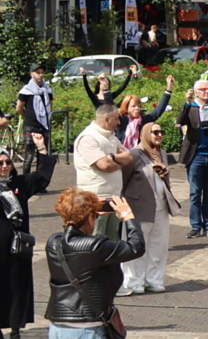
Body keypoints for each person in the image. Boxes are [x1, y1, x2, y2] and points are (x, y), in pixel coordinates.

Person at [44, 190, 144, 339]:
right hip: (87, 329)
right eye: (95, 216)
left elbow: (69, 233)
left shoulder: (54, 242)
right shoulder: (95, 246)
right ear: (91, 217)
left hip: (57, 326)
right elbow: (136, 247)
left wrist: (84, 210)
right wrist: (128, 216)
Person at [1, 133, 54, 339]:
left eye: (8, 163)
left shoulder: (19, 184)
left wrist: (41, 148)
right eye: (0, 163)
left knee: (17, 289)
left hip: (17, 249)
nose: (5, 166)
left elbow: (42, 177)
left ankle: (15, 329)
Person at [118, 122, 180, 296]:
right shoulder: (135, 154)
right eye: (155, 132)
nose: (159, 135)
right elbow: (123, 178)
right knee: (137, 243)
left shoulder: (162, 154)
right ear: (146, 134)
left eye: (161, 132)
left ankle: (154, 280)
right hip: (139, 206)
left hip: (160, 204)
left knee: (158, 245)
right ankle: (135, 281)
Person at [72, 105, 134, 240]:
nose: (119, 122)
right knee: (96, 239)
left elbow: (129, 157)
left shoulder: (112, 137)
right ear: (107, 119)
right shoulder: (88, 138)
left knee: (113, 240)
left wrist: (111, 157)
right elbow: (104, 165)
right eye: (117, 119)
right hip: (95, 198)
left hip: (114, 197)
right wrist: (117, 160)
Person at [176, 78, 208, 239]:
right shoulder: (191, 107)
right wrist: (187, 103)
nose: (207, 92)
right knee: (195, 193)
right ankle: (196, 226)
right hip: (196, 156)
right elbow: (180, 121)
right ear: (197, 91)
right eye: (203, 90)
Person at [117, 75, 175, 149]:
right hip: (122, 154)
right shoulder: (120, 120)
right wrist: (105, 90)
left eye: (139, 106)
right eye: (133, 106)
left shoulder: (143, 120)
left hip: (138, 155)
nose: (137, 108)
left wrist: (169, 89)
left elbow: (159, 110)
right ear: (126, 107)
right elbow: (108, 105)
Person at [16, 63, 53, 174]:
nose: (40, 75)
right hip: (30, 125)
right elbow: (19, 108)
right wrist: (28, 116)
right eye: (38, 73)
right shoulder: (26, 90)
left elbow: (50, 105)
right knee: (29, 155)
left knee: (42, 154)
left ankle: (40, 183)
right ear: (32, 74)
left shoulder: (47, 89)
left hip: (43, 125)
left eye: (42, 73)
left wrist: (47, 116)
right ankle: (26, 181)